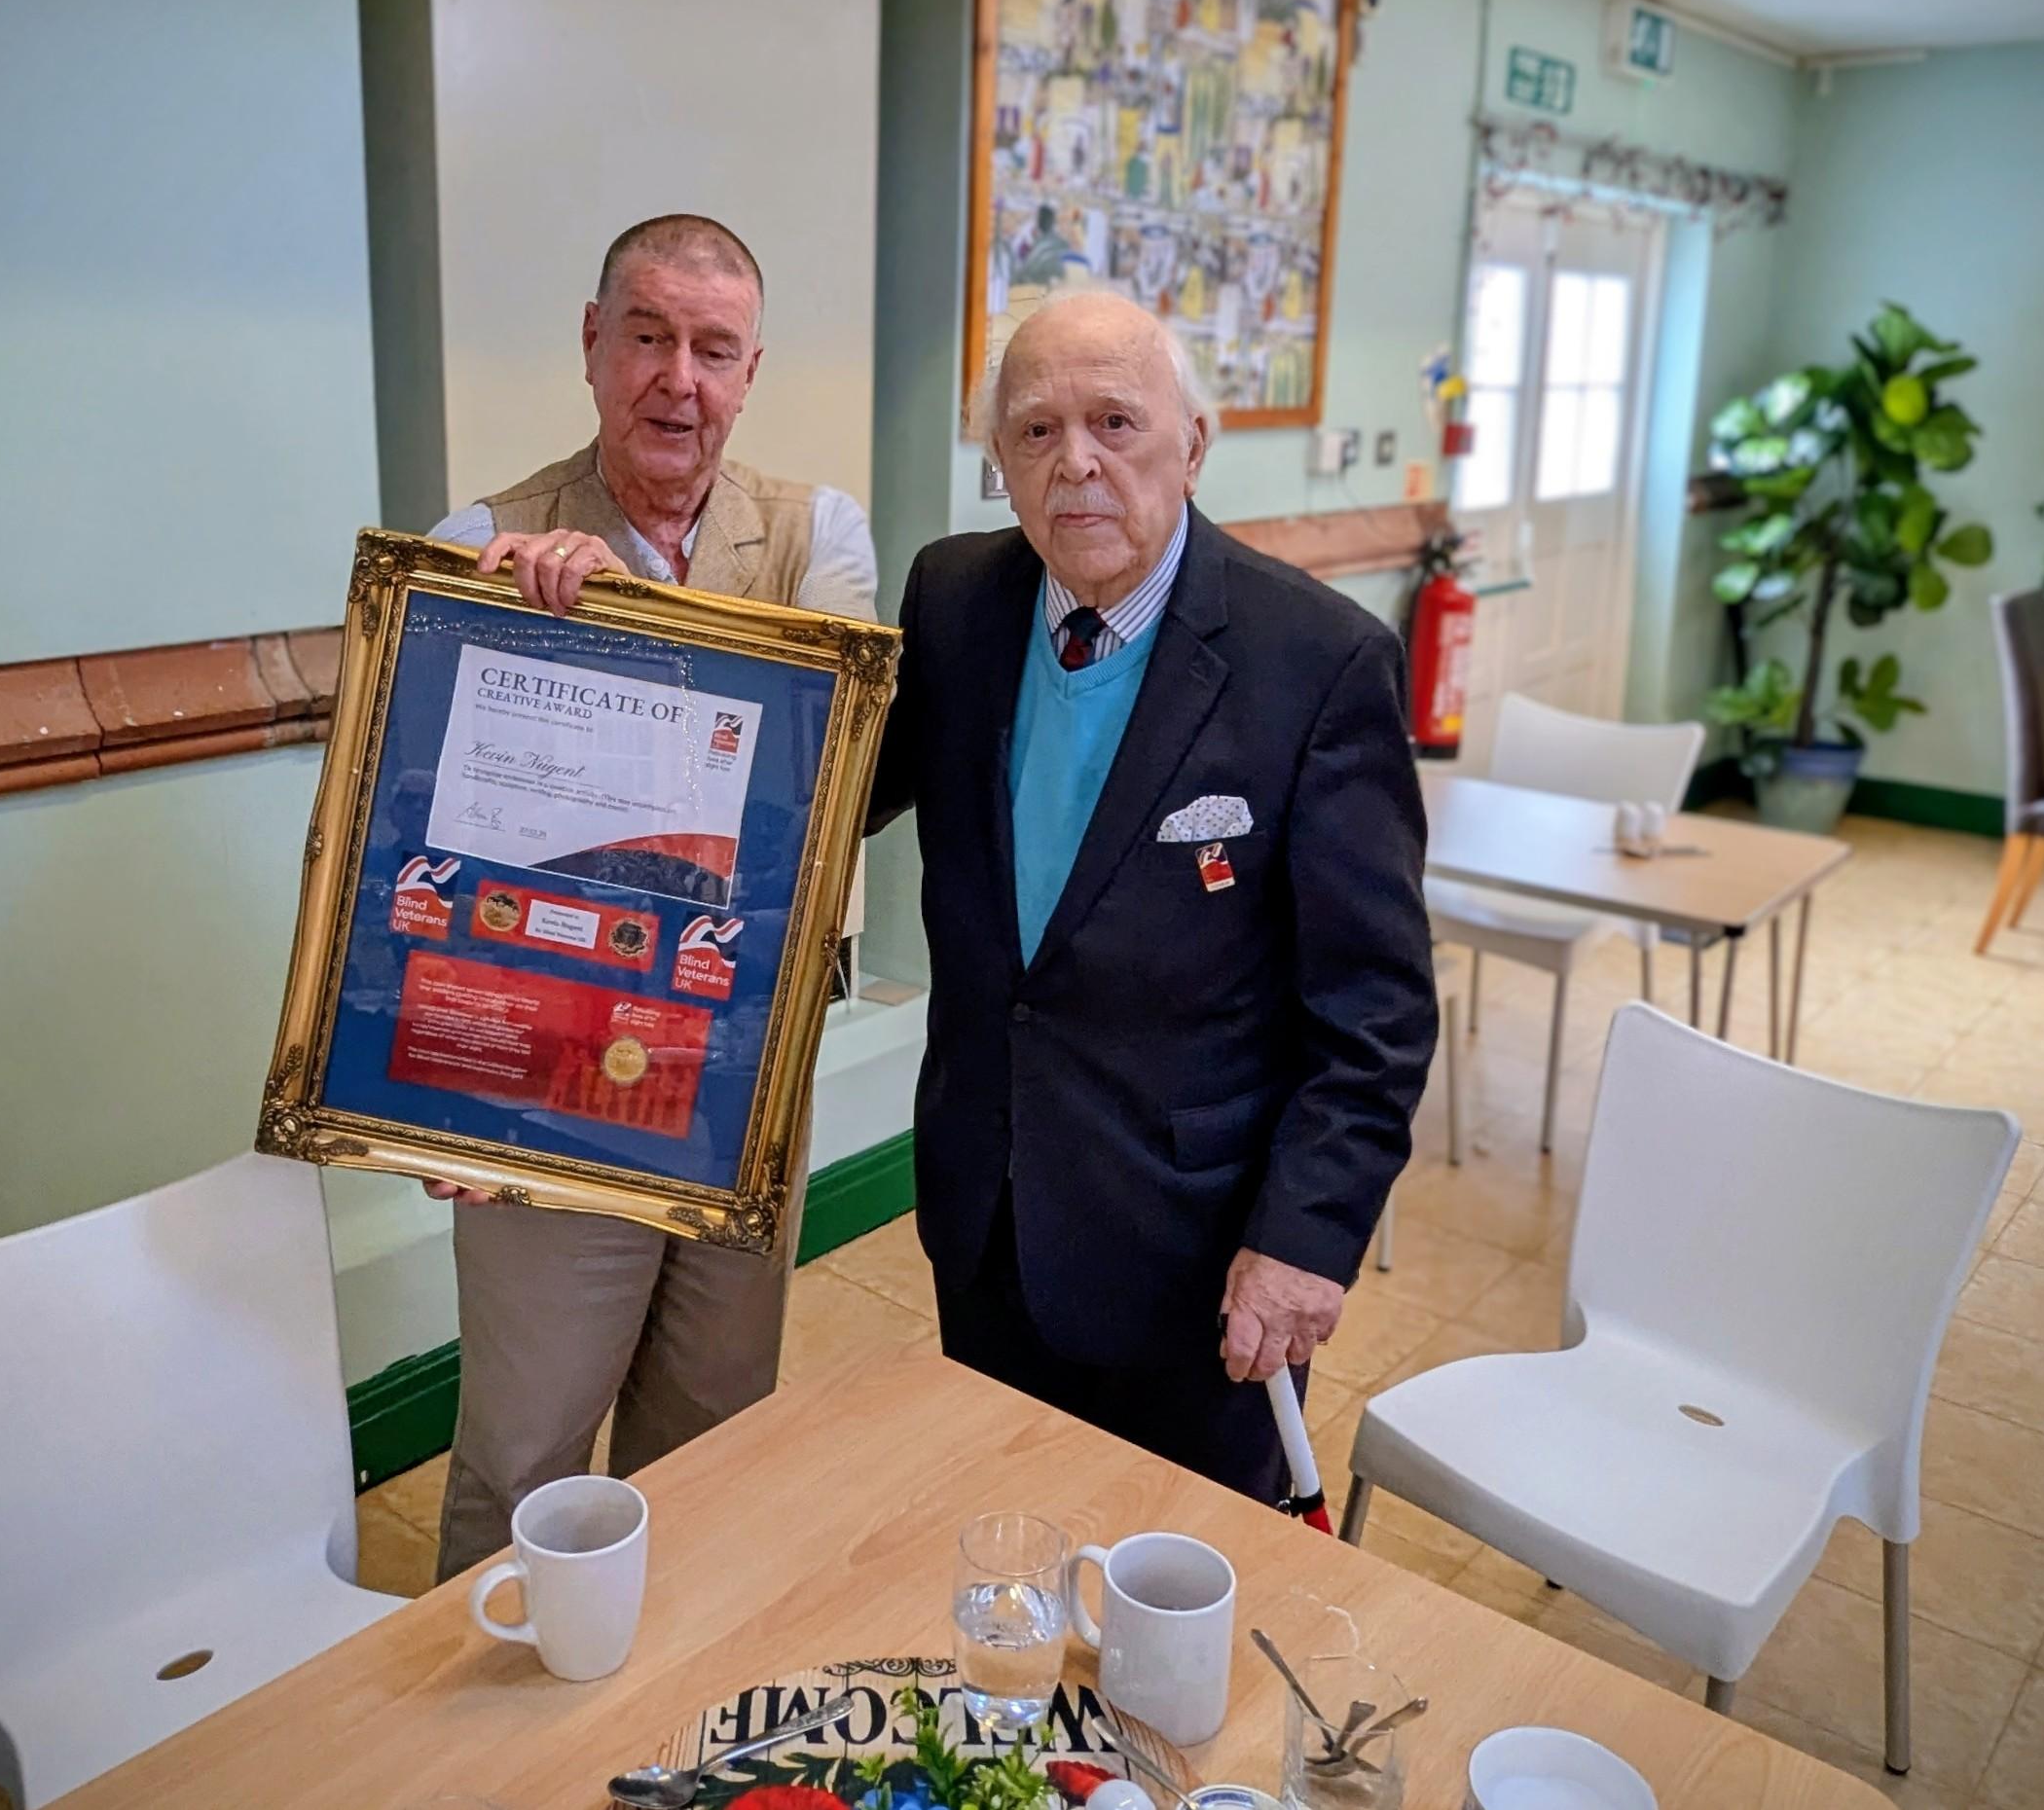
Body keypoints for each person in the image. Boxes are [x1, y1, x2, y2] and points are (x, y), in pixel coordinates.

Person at [866, 290, 1436, 1503]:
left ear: (1192, 442)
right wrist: (610, 623)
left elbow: (1377, 1014)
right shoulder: (955, 602)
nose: (1076, 462)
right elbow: (827, 792)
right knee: (998, 1553)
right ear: (999, 464)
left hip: (1195, 1259)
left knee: (1165, 1621)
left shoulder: (1317, 663)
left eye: (1116, 421)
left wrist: (1304, 1239)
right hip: (987, 1213)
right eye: (1035, 431)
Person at [424, 213, 875, 1578]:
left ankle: (669, 1723)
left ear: (747, 374)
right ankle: (476, 1771)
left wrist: (632, 630)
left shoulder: (818, 535)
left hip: (742, 1067)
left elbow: (815, 779)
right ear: (590, 345)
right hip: (544, 1078)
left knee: (713, 1424)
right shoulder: (479, 541)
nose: (678, 377)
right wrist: (423, 1082)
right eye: (648, 336)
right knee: (525, 1448)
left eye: (712, 348)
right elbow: (424, 855)